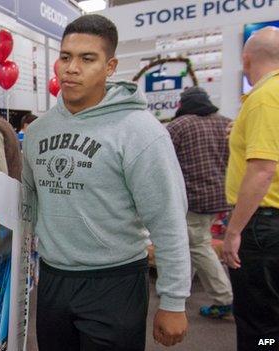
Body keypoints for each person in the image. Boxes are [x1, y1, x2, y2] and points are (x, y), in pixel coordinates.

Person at [22, 14, 190, 350]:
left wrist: (173, 301)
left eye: (87, 59)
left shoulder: (140, 132)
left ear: (110, 67)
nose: (71, 68)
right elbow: (28, 203)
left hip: (115, 282)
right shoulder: (38, 131)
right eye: (65, 56)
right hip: (54, 281)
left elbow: (167, 219)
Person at [222, 26, 279, 350]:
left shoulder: (264, 97)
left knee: (260, 323)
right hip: (271, 222)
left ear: (246, 59)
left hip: (262, 224)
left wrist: (234, 231)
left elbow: (262, 170)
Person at [167, 86, 234, 319]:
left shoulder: (179, 126)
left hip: (192, 199)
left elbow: (163, 163)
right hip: (220, 197)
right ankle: (181, 289)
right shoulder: (225, 123)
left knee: (198, 245)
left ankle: (225, 299)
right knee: (192, 242)